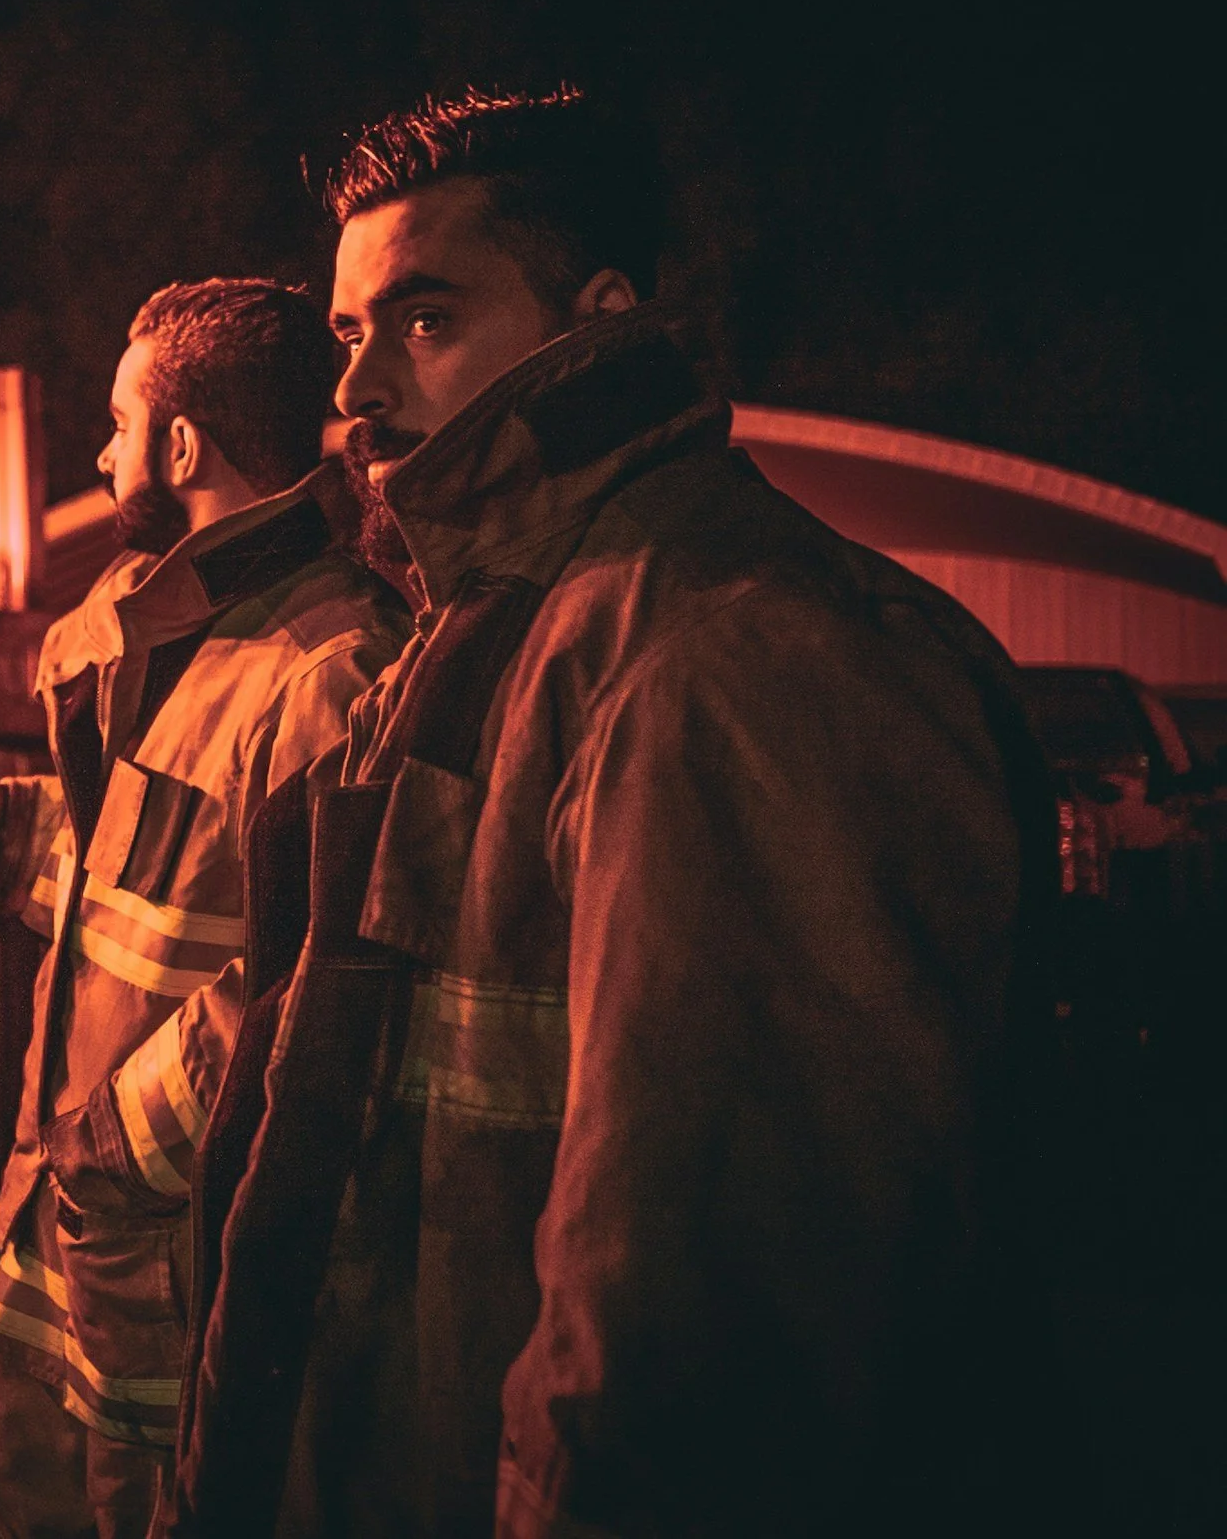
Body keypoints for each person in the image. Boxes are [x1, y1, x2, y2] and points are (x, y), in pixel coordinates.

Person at [165, 88, 1066, 1537]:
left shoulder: (736, 655)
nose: (358, 390)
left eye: (425, 320)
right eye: (347, 334)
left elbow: (701, 1354)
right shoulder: (490, 630)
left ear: (596, 321)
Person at [0, 279, 410, 1537]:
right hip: (66, 1245)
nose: (102, 455)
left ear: (181, 445)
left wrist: (108, 1148)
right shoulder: (168, 635)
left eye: (117, 422)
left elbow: (322, 986)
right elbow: (150, 881)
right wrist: (0, 827)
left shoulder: (330, 671)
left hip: (171, 1264)